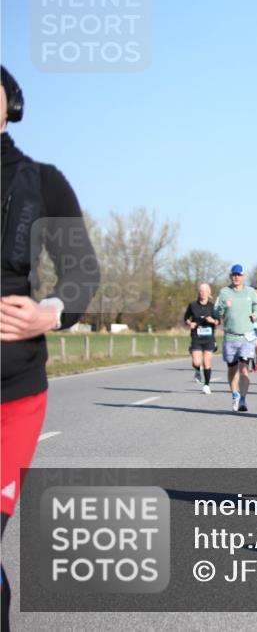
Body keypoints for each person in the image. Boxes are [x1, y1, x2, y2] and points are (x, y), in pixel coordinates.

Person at [1, 65, 101, 630]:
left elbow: (81, 272)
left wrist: (50, 312)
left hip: (10, 391)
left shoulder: (42, 180)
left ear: (10, 104)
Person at [214, 264, 257, 412]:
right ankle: (235, 395)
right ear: (230, 276)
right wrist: (222, 307)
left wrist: (255, 315)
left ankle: (243, 400)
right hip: (230, 337)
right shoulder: (224, 292)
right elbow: (217, 312)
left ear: (243, 277)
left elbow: (256, 306)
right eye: (234, 275)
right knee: (232, 370)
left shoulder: (251, 292)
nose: (236, 277)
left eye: (239, 275)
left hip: (246, 337)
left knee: (244, 369)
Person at [183, 282, 218, 394]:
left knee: (207, 363)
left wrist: (212, 321)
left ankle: (206, 385)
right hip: (196, 337)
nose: (203, 293)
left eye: (205, 291)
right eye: (201, 291)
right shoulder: (192, 305)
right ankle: (197, 370)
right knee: (196, 362)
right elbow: (186, 318)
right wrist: (190, 323)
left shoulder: (213, 307)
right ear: (199, 293)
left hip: (208, 338)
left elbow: (218, 321)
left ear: (209, 293)